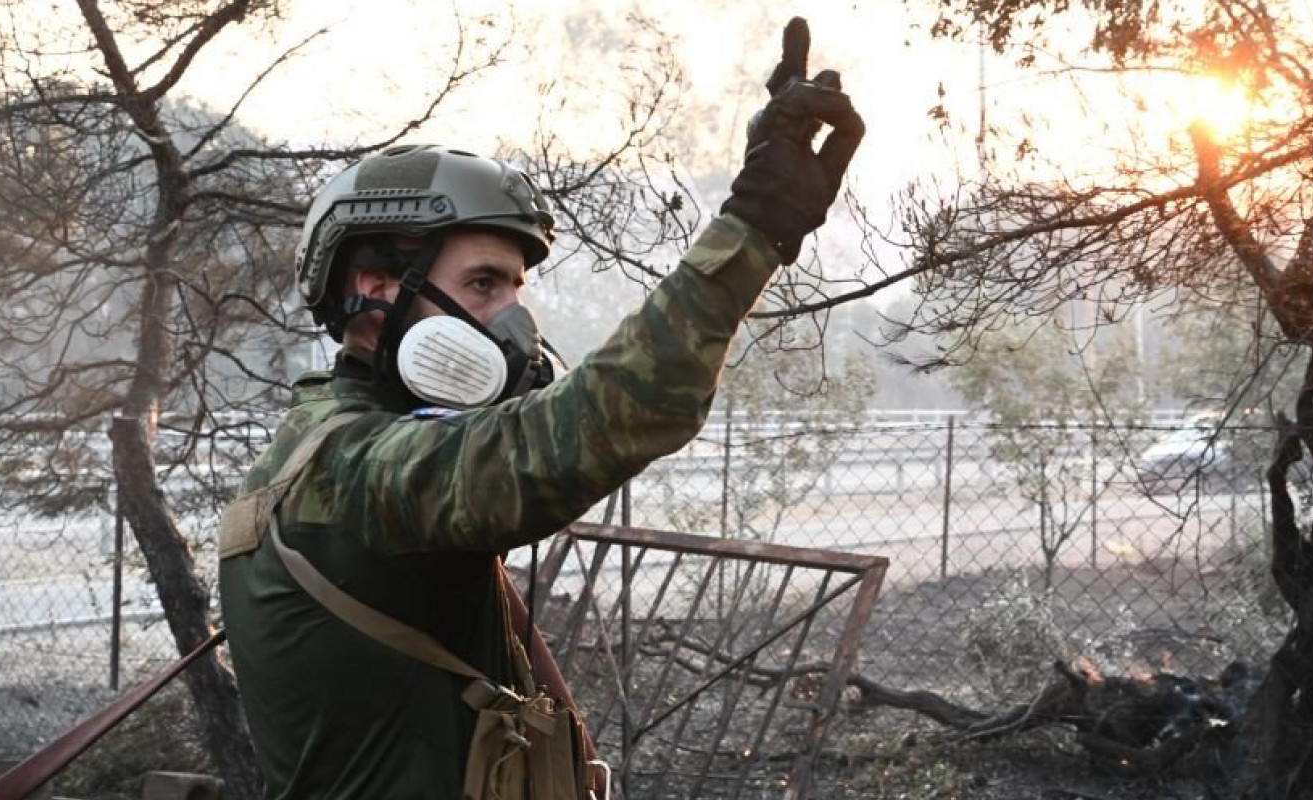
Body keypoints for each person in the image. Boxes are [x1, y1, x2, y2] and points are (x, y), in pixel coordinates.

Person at [218, 17, 862, 800]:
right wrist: (756, 224)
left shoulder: (330, 447)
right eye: (484, 284)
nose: (512, 323)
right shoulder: (355, 468)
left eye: (517, 291)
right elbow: (595, 418)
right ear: (377, 287)